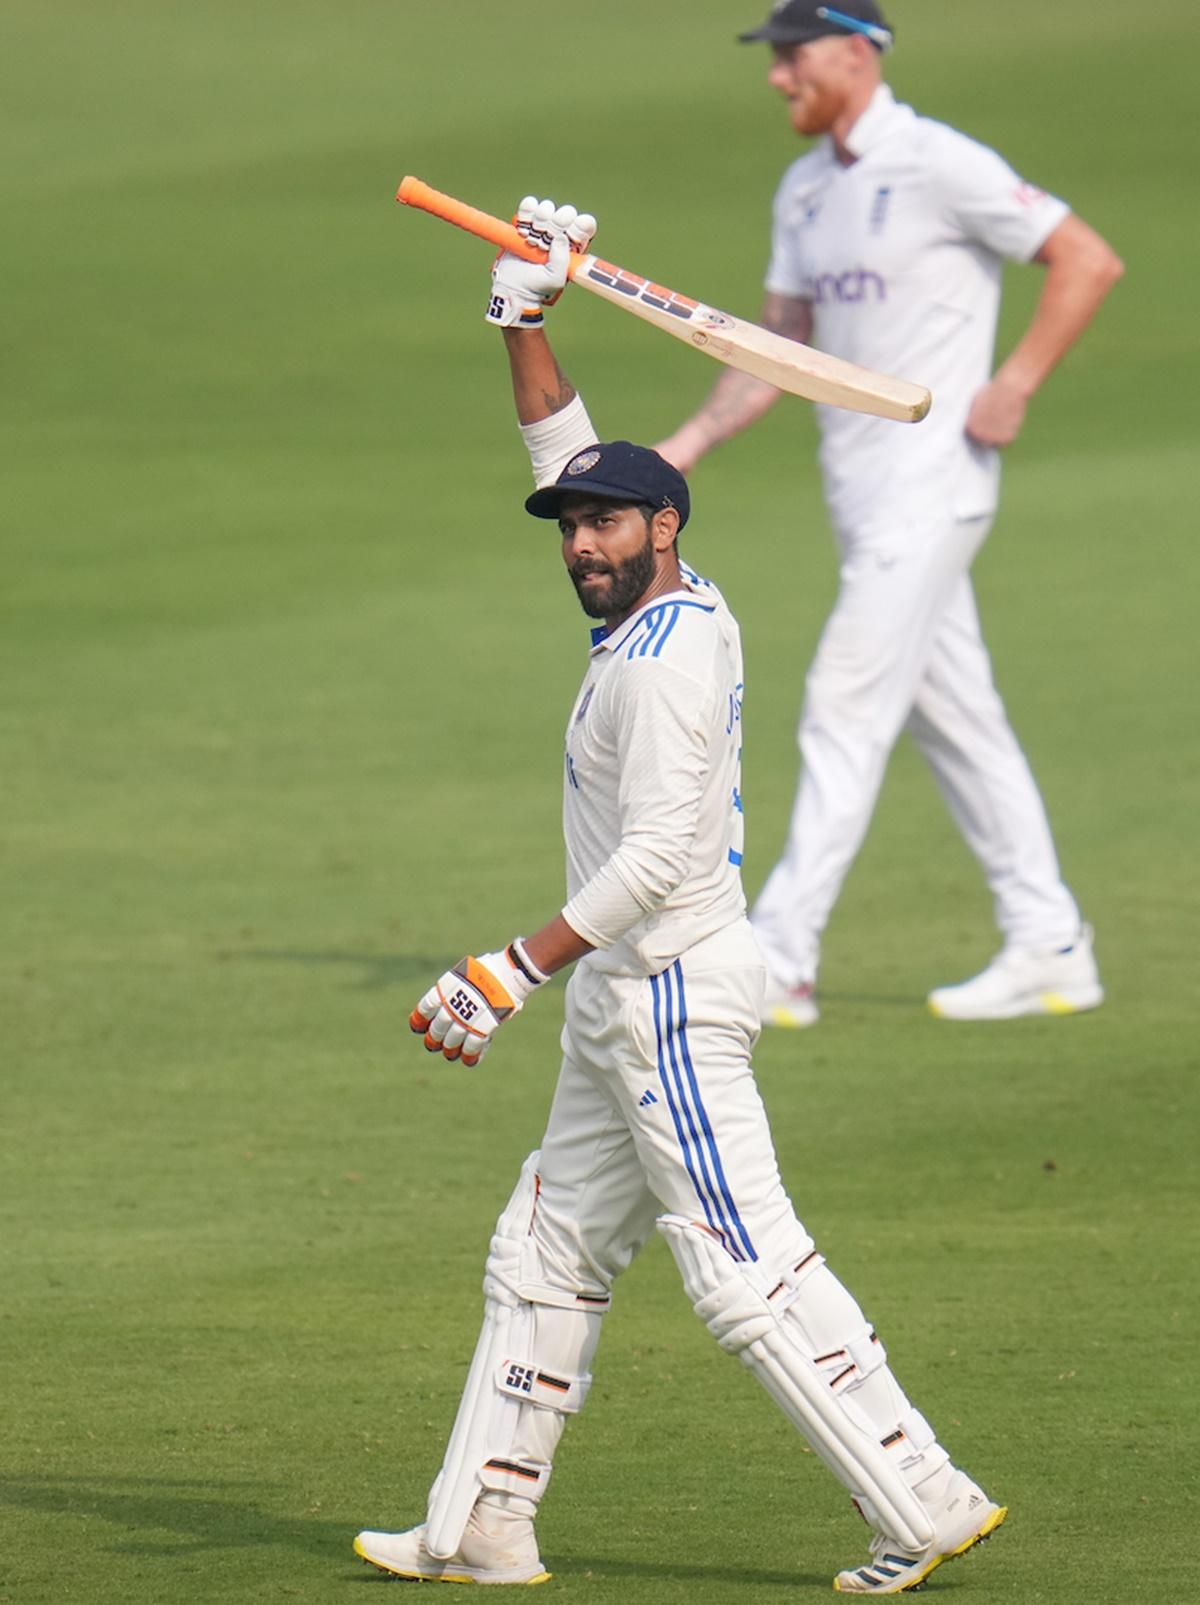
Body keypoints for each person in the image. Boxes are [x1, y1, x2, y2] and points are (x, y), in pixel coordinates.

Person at [353, 197, 1006, 1596]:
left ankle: (926, 1496)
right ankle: (482, 1524)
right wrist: (526, 318)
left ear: (667, 521)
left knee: (739, 1267)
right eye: (570, 525)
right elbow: (557, 440)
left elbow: (651, 858)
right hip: (623, 990)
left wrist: (504, 967)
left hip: (667, 990)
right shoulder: (663, 601)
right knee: (545, 1244)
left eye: (606, 523)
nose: (582, 543)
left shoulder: (662, 662)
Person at [656, 1, 1124, 1026]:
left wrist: (1017, 383)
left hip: (936, 483)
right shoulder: (806, 190)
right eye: (774, 61)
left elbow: (1087, 258)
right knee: (957, 717)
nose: (779, 78)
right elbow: (777, 350)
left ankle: (781, 955)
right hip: (860, 494)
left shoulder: (939, 162)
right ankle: (1050, 943)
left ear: (857, 55)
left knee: (843, 701)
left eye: (794, 58)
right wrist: (681, 449)